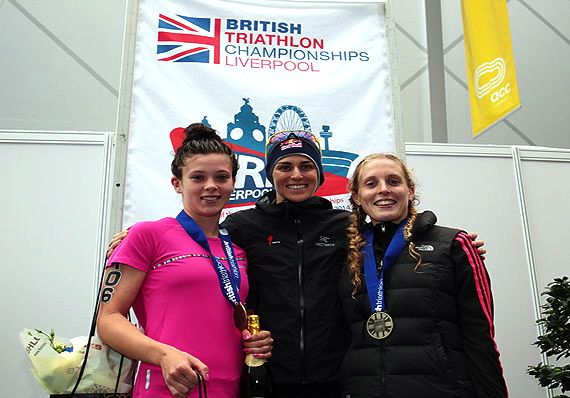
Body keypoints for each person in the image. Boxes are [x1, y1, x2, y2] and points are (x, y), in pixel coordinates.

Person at [107, 130, 486, 398]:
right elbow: (198, 248)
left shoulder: (345, 226)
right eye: (284, 166)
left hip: (336, 377)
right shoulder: (241, 227)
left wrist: (451, 245)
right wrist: (132, 241)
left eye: (306, 166)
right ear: (270, 174)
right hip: (267, 378)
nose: (296, 175)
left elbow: (392, 240)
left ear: (320, 174)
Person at [97, 123, 272, 398]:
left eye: (221, 177)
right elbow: (108, 320)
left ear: (233, 183)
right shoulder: (147, 235)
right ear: (177, 183)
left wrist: (251, 339)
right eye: (198, 177)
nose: (211, 186)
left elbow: (218, 318)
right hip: (167, 386)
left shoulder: (236, 250)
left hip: (229, 388)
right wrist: (164, 354)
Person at [339, 153, 507, 397]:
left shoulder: (452, 245)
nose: (383, 190)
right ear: (356, 196)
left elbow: (479, 338)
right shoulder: (347, 255)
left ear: (410, 190)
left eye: (394, 181)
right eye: (371, 183)